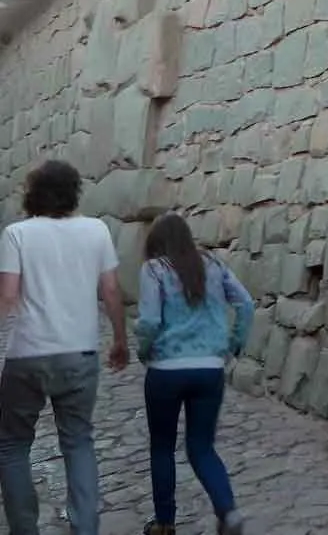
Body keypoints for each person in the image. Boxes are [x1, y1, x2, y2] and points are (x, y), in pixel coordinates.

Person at [0, 159, 129, 535]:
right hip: (80, 353)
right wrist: (120, 339)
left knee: (11, 445)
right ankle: (85, 527)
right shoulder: (97, 230)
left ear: (32, 194)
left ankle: (25, 529)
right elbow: (109, 290)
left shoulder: (16, 234)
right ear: (74, 193)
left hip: (26, 355)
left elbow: (8, 297)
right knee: (78, 442)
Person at [135, 213, 254, 535]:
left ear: (156, 243)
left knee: (162, 446)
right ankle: (228, 513)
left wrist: (143, 351)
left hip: (165, 370)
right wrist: (233, 345)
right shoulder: (213, 265)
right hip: (209, 369)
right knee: (202, 447)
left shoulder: (154, 270)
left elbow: (147, 322)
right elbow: (245, 303)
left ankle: (164, 523)